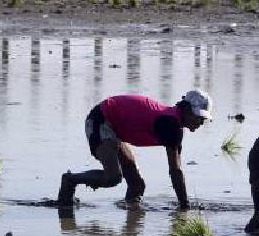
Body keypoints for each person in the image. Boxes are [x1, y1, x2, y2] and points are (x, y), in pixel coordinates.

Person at [57, 90, 212, 210]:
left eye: (203, 119)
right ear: (185, 109)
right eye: (198, 116)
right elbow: (175, 171)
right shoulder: (170, 124)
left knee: (137, 185)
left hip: (115, 129)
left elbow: (176, 169)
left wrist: (184, 204)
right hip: (101, 120)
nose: (200, 122)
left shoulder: (176, 125)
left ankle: (132, 216)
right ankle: (70, 181)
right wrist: (185, 206)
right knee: (113, 177)